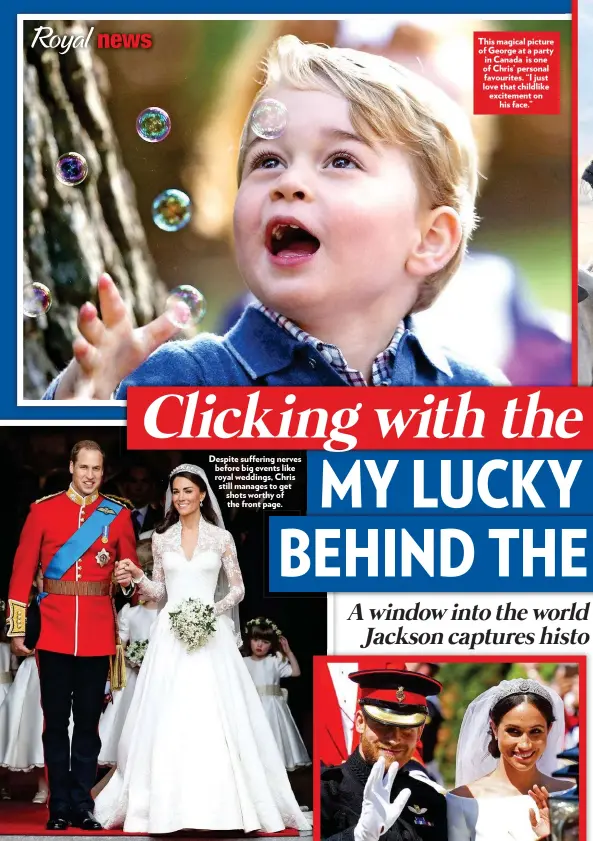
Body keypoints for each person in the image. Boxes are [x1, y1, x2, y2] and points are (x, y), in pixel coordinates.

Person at [44, 35, 504, 401]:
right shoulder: (181, 382)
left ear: (429, 240)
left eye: (341, 160)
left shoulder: (478, 395)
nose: (289, 181)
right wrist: (82, 404)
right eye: (267, 161)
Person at [92, 464, 310, 833]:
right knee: (168, 716)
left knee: (216, 715)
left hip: (212, 636)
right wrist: (140, 578)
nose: (180, 498)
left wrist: (212, 611)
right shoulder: (161, 539)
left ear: (202, 495)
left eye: (187, 491)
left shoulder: (221, 538)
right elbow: (160, 593)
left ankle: (224, 807)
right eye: (175, 491)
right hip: (170, 637)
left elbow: (238, 589)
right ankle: (162, 807)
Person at [5, 440, 139, 831]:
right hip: (54, 632)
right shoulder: (43, 511)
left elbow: (129, 578)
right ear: (71, 467)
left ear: (103, 471)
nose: (90, 475)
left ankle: (82, 804)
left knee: (87, 726)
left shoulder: (118, 515)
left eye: (97, 468)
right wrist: (17, 629)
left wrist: (127, 579)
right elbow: (20, 573)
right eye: (84, 467)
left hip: (97, 632)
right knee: (54, 723)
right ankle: (58, 806)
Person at [321, 668, 447, 841]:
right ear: (360, 722)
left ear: (419, 732)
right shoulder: (325, 791)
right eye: (383, 725)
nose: (395, 739)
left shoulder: (430, 799)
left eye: (406, 729)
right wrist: (358, 837)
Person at [447, 678, 574, 841]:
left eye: (535, 731)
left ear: (548, 730)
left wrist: (552, 836)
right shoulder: (463, 799)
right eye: (514, 731)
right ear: (494, 728)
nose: (525, 744)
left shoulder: (569, 796)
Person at [243, 616, 311, 771]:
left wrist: (288, 652)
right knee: (256, 734)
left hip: (273, 706)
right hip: (252, 704)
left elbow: (295, 672)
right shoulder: (244, 662)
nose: (259, 645)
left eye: (265, 642)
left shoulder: (275, 660)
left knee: (274, 734)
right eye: (256, 639)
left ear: (271, 644)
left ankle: (275, 765)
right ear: (250, 640)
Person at [97, 597, 159, 766]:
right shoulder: (130, 613)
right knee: (127, 717)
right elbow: (121, 646)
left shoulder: (166, 612)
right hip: (133, 675)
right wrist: (133, 658)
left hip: (158, 674)